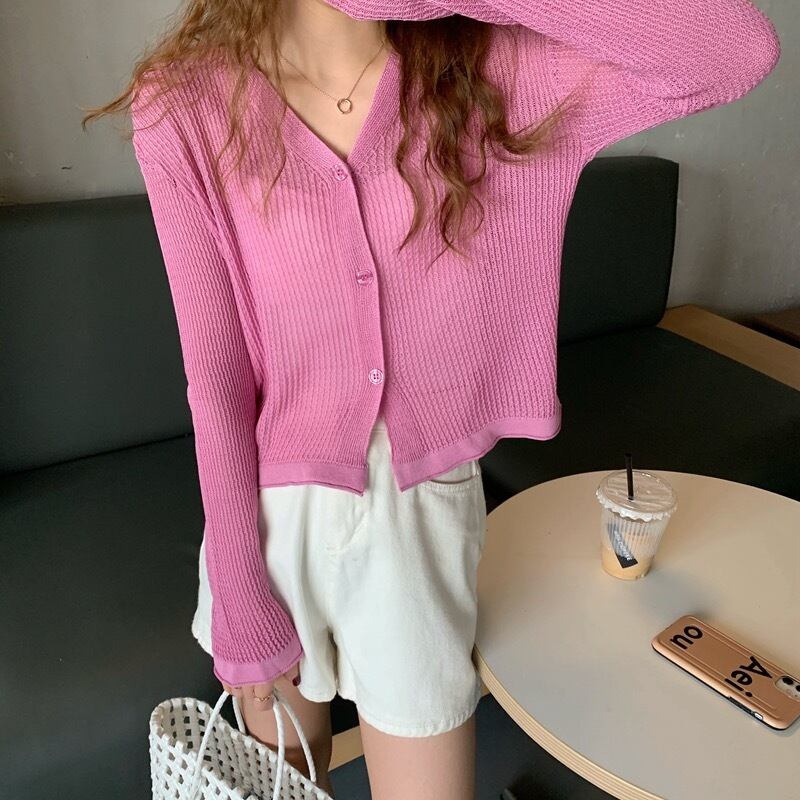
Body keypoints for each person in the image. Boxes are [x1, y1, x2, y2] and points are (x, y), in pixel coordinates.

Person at [84, 0, 780, 797]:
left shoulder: (495, 74)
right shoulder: (184, 103)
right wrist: (239, 590)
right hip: (271, 520)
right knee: (279, 784)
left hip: (421, 513)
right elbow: (215, 375)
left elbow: (734, 52)